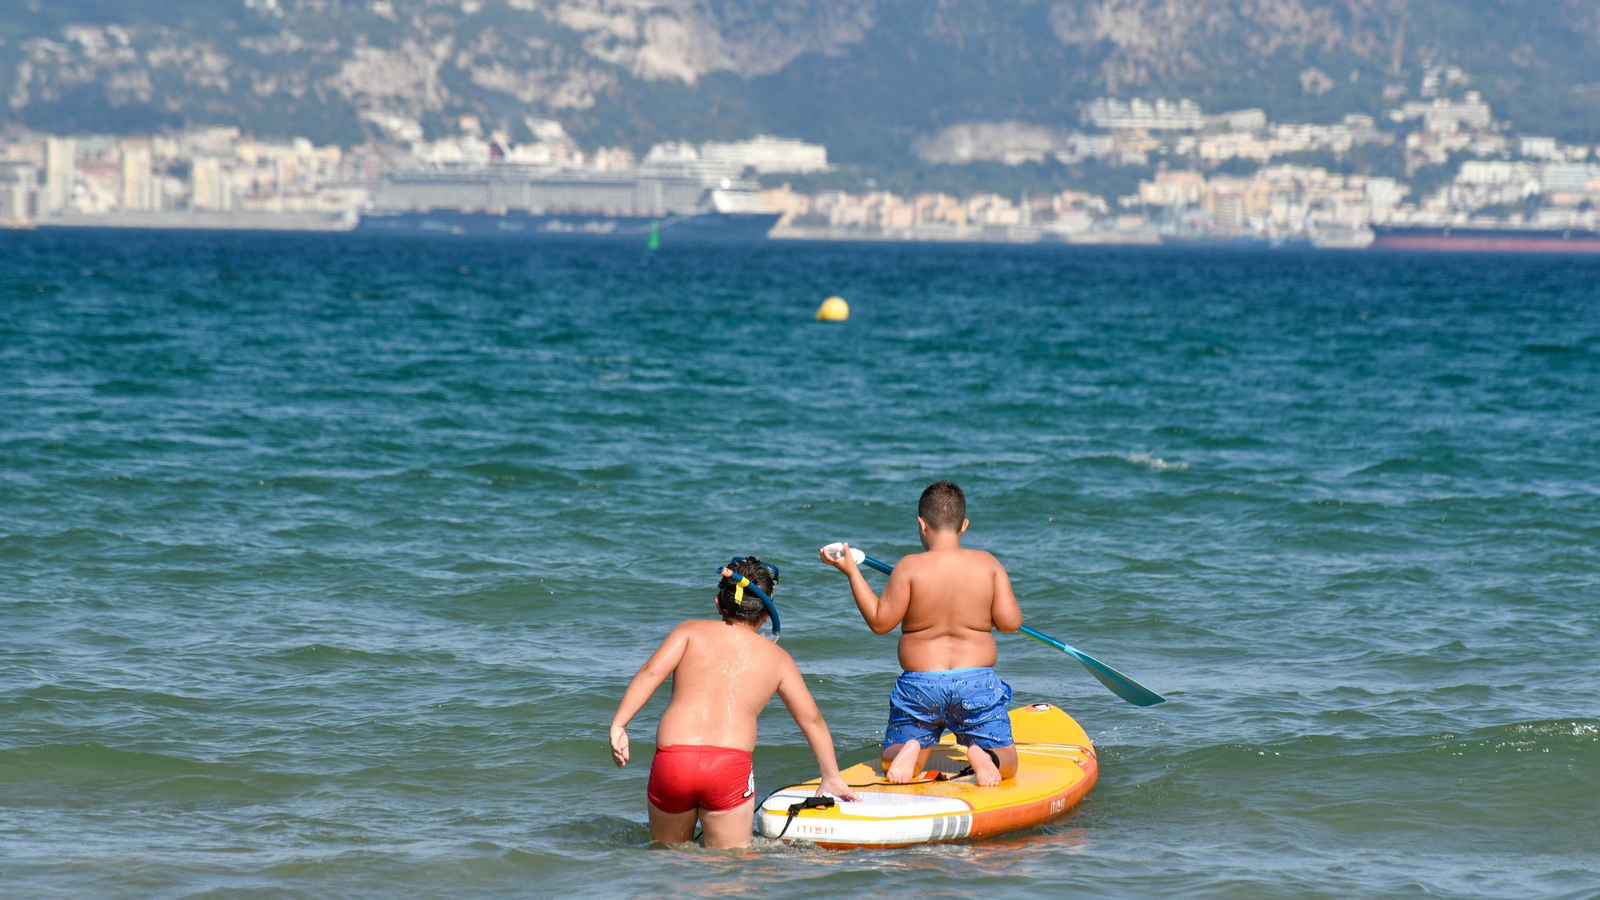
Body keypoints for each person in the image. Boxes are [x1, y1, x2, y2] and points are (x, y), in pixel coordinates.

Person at [609, 556, 859, 848]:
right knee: (730, 865)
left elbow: (650, 673)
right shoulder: (778, 658)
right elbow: (812, 720)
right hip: (728, 767)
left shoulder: (688, 631)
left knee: (668, 857)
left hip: (674, 761)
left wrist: (619, 725)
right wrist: (831, 776)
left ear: (718, 603)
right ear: (766, 616)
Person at [820, 481, 1023, 787]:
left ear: (922, 524)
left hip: (921, 685)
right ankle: (984, 756)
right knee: (1009, 762)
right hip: (975, 684)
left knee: (890, 758)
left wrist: (852, 572)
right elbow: (1011, 623)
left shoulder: (909, 567)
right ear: (964, 526)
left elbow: (880, 622)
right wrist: (988, 617)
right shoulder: (988, 565)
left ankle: (911, 749)